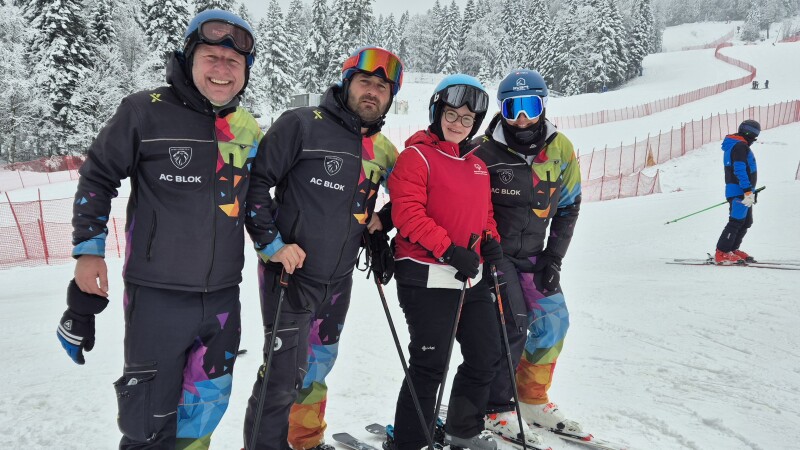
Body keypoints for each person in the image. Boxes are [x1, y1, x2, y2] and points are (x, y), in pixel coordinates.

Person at [57, 9, 262, 449]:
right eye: (211, 56)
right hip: (157, 298)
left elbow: (263, 198)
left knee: (203, 411)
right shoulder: (144, 112)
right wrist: (88, 253)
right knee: (147, 419)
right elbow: (98, 176)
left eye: (234, 62)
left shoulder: (247, 128)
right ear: (189, 58)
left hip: (224, 297)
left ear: (245, 70)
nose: (222, 69)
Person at [242, 46, 404, 450]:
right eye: (365, 81)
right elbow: (256, 183)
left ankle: (306, 441)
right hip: (291, 276)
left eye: (382, 87)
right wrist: (272, 244)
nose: (372, 92)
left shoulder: (383, 149)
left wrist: (384, 218)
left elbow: (411, 194)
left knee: (317, 366)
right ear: (347, 82)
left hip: (338, 281)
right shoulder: (302, 124)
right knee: (282, 375)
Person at [386, 74, 504, 450]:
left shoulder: (478, 165)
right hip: (426, 275)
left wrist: (492, 243)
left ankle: (462, 430)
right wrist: (450, 251)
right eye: (452, 114)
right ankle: (410, 441)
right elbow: (407, 214)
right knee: (429, 365)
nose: (458, 124)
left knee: (486, 356)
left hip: (470, 277)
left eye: (467, 119)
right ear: (437, 113)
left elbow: (484, 214)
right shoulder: (415, 157)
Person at [472, 69, 582, 442]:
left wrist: (554, 257)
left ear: (543, 105)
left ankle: (531, 396)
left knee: (554, 321)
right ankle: (495, 404)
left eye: (530, 106)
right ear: (502, 109)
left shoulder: (560, 149)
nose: (521, 118)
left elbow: (569, 205)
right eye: (512, 107)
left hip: (535, 254)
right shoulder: (482, 150)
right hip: (495, 254)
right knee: (512, 324)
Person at [715, 119, 759, 264]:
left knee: (746, 222)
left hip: (744, 191)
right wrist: (747, 189)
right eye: (755, 136)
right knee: (736, 222)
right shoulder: (739, 146)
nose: (754, 139)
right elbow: (739, 169)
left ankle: (732, 249)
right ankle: (722, 252)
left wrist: (751, 191)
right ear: (750, 133)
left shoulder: (738, 145)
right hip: (740, 190)